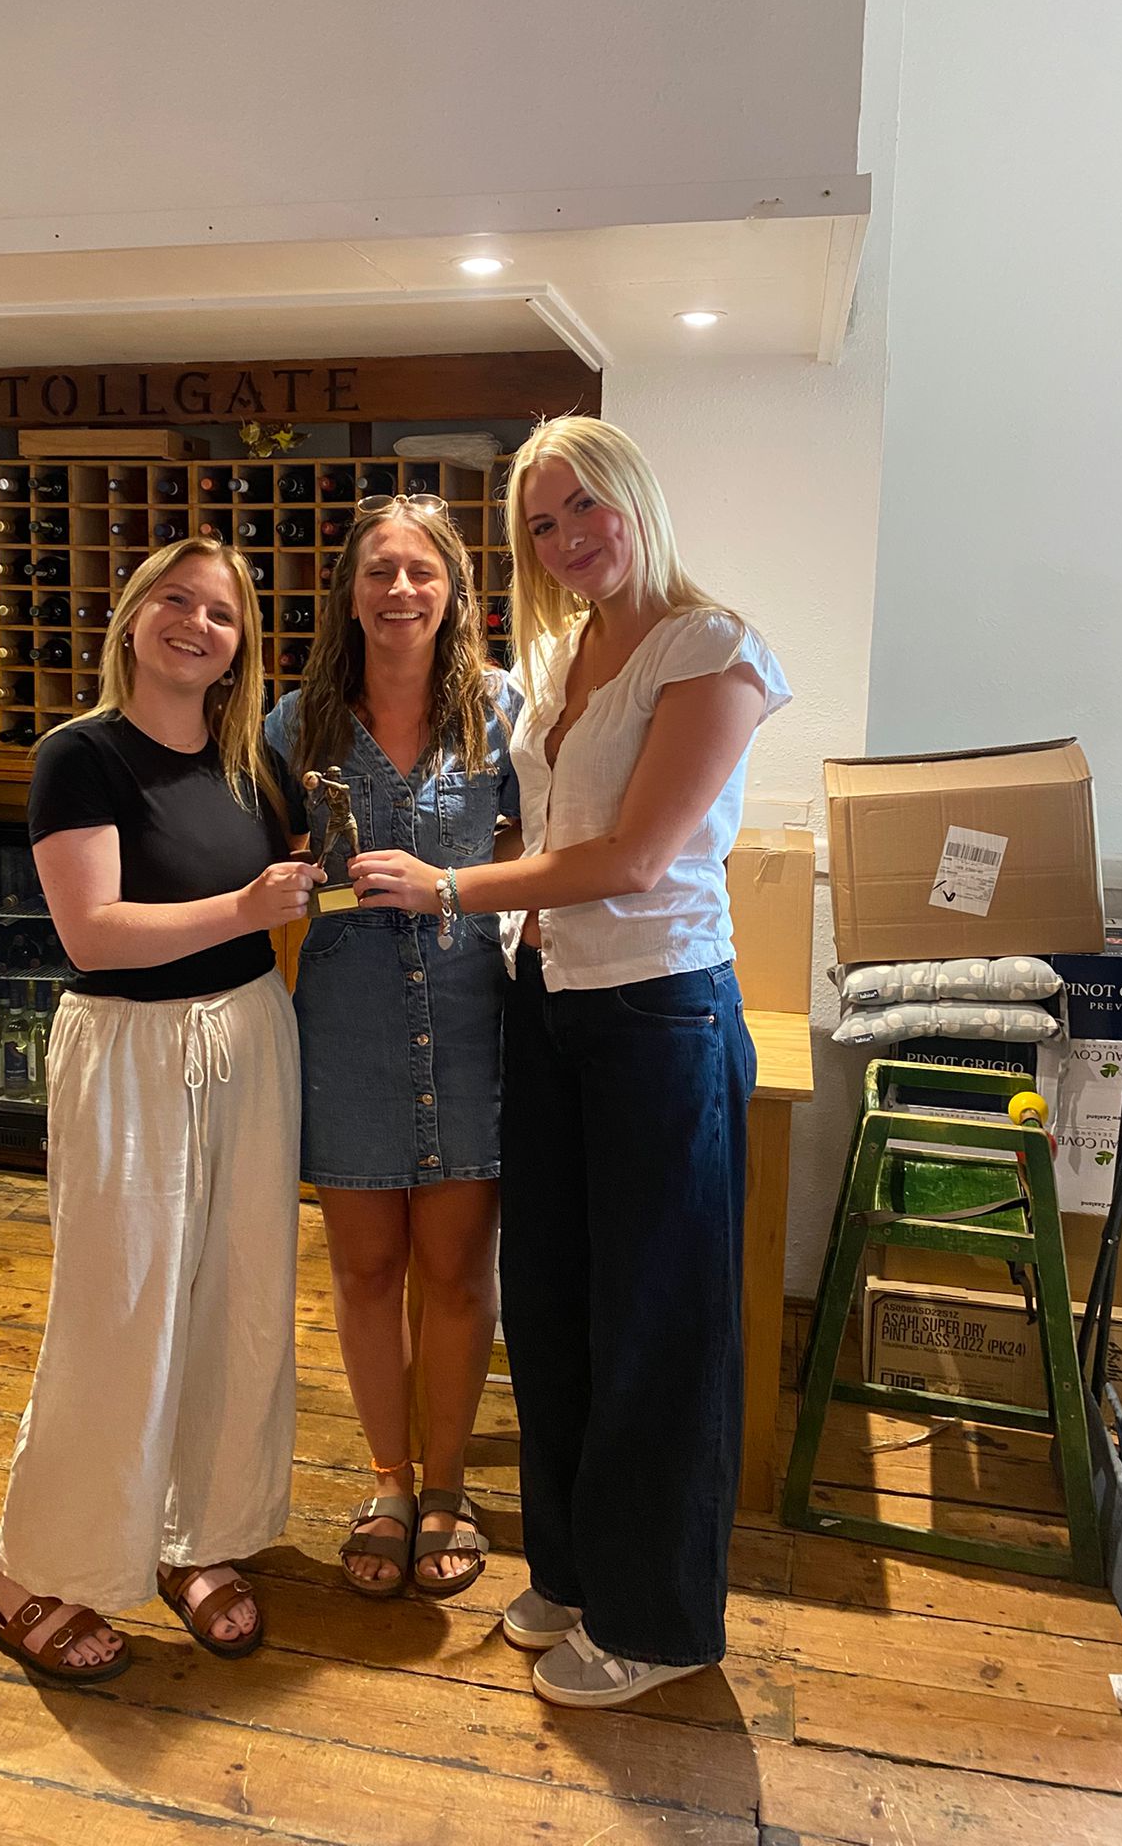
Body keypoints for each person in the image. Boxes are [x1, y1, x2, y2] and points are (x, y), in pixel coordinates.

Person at [351, 417, 790, 1707]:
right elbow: (537, 819)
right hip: (548, 1001)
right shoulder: (558, 657)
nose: (566, 537)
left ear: (634, 498)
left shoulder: (713, 649)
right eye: (541, 523)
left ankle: (660, 1619)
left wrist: (448, 887)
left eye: (584, 505)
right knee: (551, 1302)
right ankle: (577, 1567)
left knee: (658, 1319)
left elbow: (635, 857)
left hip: (660, 1011)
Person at [0, 537, 315, 1684]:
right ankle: (23, 1572)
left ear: (240, 646)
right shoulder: (80, 754)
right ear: (131, 616)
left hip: (249, 1036)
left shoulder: (252, 764)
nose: (196, 624)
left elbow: (297, 879)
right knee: (117, 1311)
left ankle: (193, 1534)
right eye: (176, 599)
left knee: (238, 1296)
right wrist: (248, 905)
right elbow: (94, 932)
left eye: (221, 612)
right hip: (129, 1049)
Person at [265, 494, 519, 1600]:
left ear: (455, 588)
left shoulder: (503, 712)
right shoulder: (293, 724)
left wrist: (462, 885)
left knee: (457, 1272)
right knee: (365, 1269)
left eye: (422, 570)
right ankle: (387, 1482)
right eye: (380, 571)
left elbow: (542, 840)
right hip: (347, 1020)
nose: (401, 590)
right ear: (350, 592)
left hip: (467, 1018)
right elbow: (258, 847)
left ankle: (448, 1484)